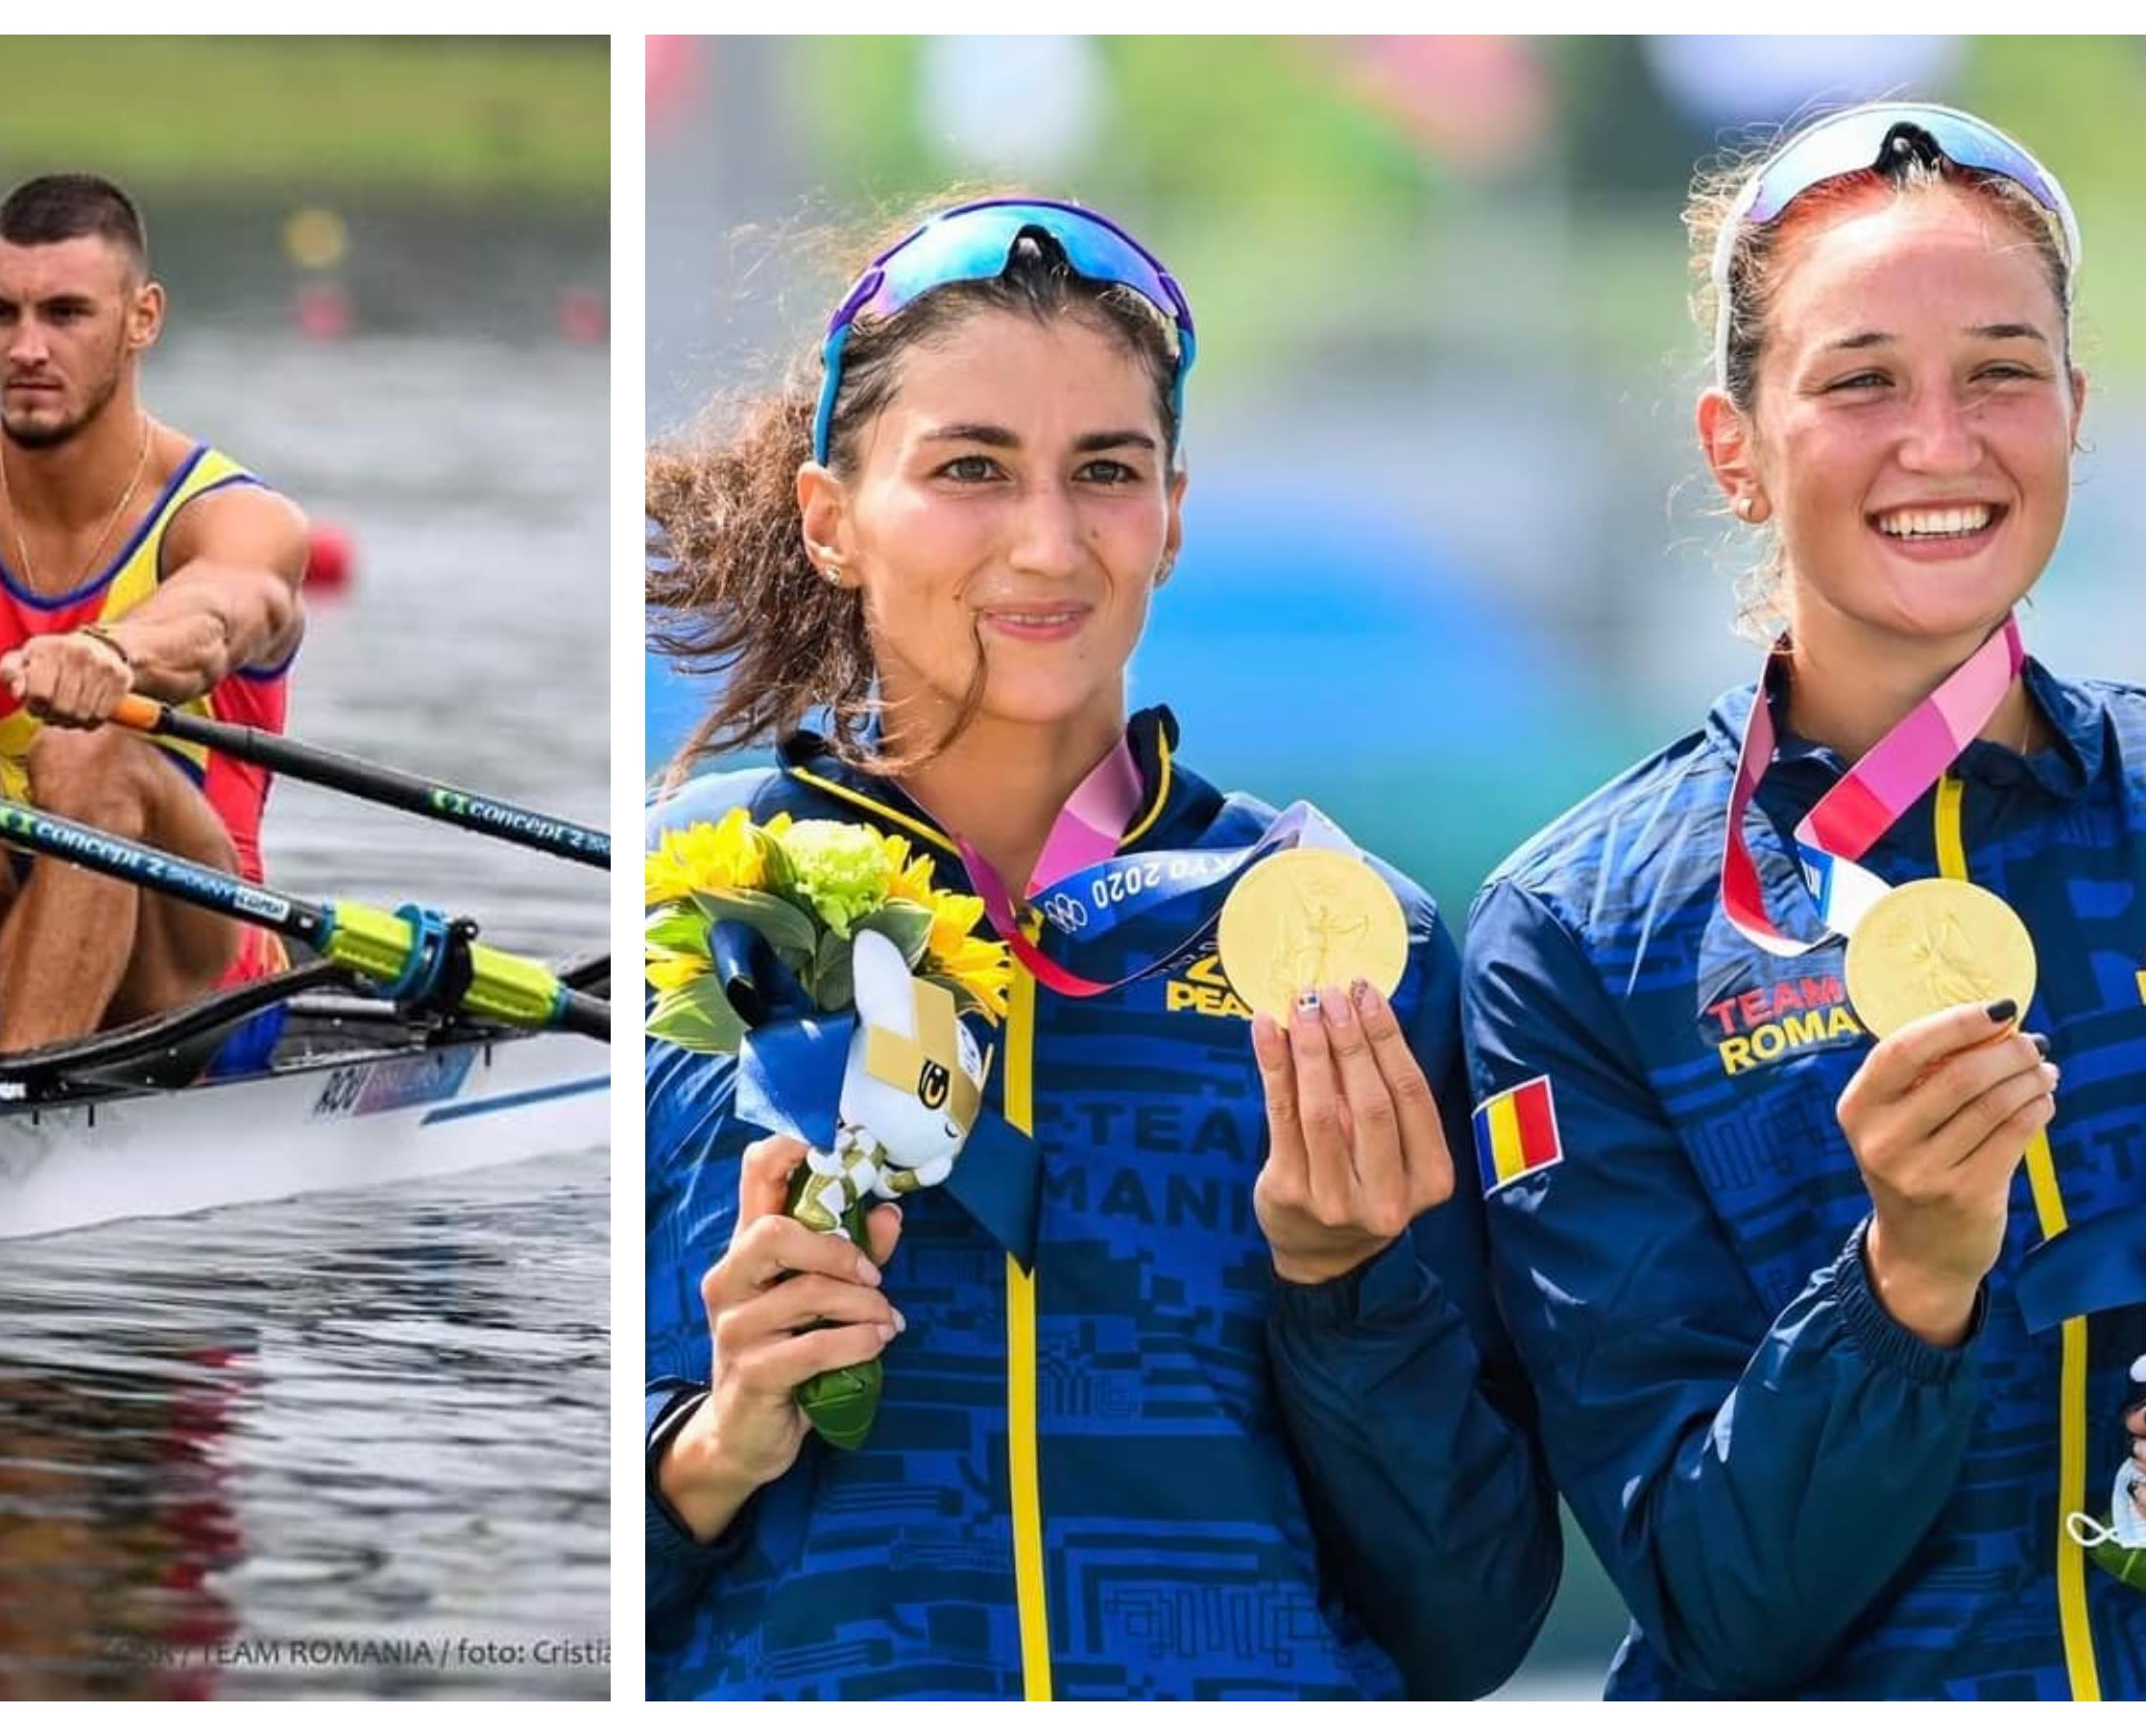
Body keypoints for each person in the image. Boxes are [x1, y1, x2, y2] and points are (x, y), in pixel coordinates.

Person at [641, 196, 1560, 1699]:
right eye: (970, 470)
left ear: (1173, 517)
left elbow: (1475, 1621)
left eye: (1107, 474)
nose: (1049, 541)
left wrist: (1346, 1291)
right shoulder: (688, 912)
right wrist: (709, 1446)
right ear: (830, 518)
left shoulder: (1350, 944)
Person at [1461, 104, 2146, 1699]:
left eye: (1997, 368)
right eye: (1857, 381)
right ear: (1733, 448)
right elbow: (1714, 1599)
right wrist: (1903, 1278)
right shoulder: (1575, 934)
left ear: (2071, 405)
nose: (1938, 439)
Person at [0, 173, 311, 1054]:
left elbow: (215, 619)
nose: (25, 348)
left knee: (87, 749)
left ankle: (15, 1085)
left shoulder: (236, 518)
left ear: (143, 318)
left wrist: (112, 653)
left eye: (65, 314)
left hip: (196, 972)